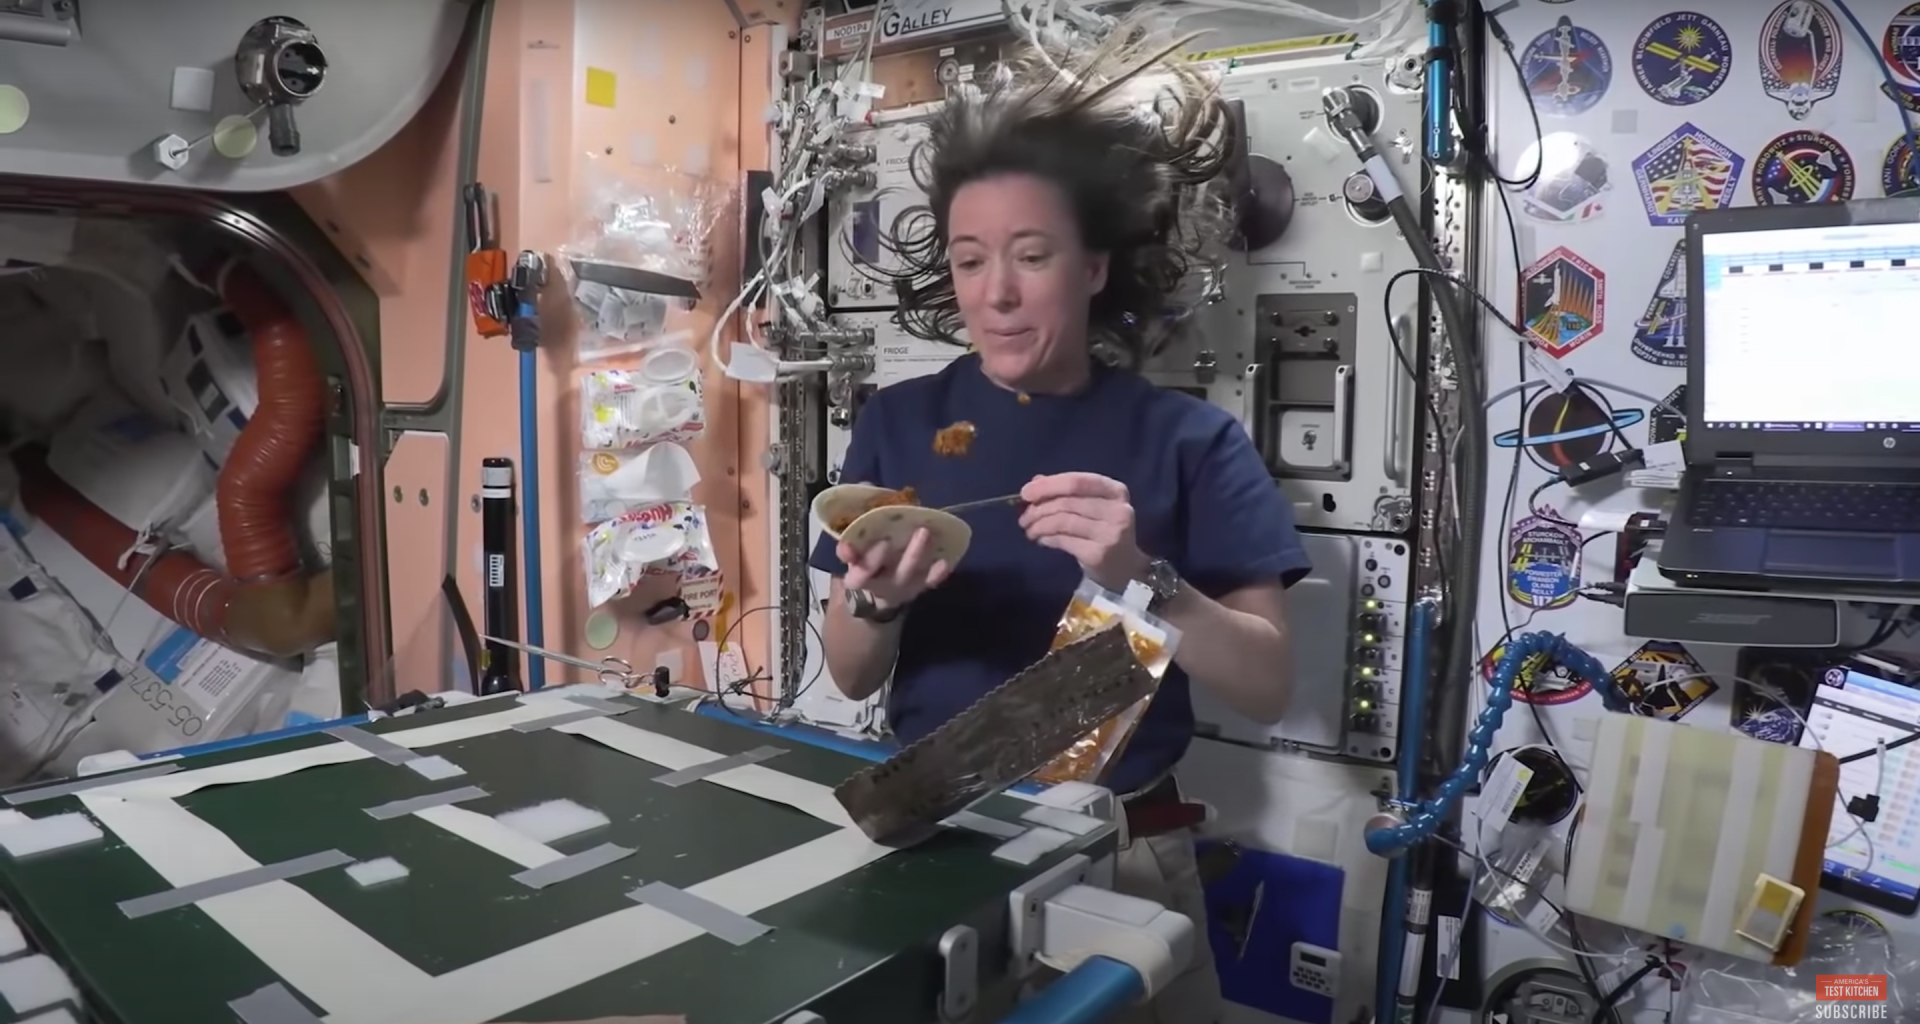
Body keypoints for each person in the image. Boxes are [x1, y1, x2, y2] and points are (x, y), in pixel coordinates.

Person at [809, 20, 1311, 1024]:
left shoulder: (1189, 440)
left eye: (1031, 256)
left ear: (1091, 267)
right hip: (935, 840)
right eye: (968, 260)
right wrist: (877, 599)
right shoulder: (898, 423)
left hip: (1121, 854)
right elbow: (854, 671)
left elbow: (1267, 684)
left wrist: (1142, 574)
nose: (994, 294)